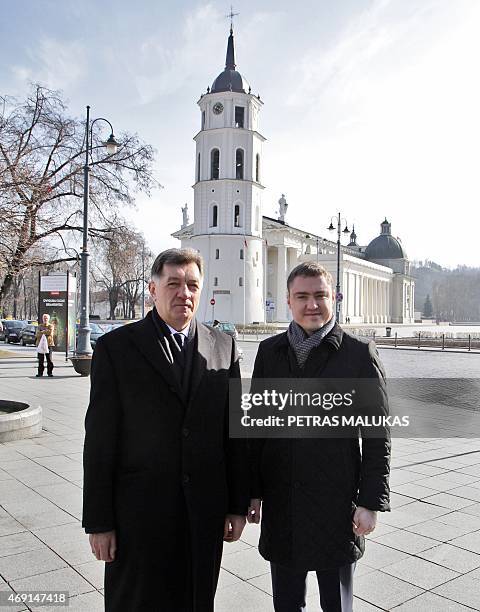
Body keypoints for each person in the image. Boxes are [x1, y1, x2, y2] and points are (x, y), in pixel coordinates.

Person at [82, 248, 249, 612]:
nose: (183, 293)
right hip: (138, 518)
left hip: (203, 516)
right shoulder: (117, 348)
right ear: (152, 290)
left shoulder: (224, 346)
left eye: (192, 285)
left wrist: (237, 505)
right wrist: (99, 522)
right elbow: (99, 441)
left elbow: (233, 433)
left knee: (196, 602)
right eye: (173, 283)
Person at [248, 262, 391, 612]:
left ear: (333, 299)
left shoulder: (359, 354)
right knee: (286, 604)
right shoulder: (270, 352)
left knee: (336, 605)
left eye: (320, 296)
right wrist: (250, 491)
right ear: (288, 301)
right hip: (284, 506)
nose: (312, 304)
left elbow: (377, 436)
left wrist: (370, 502)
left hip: (338, 508)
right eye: (302, 296)